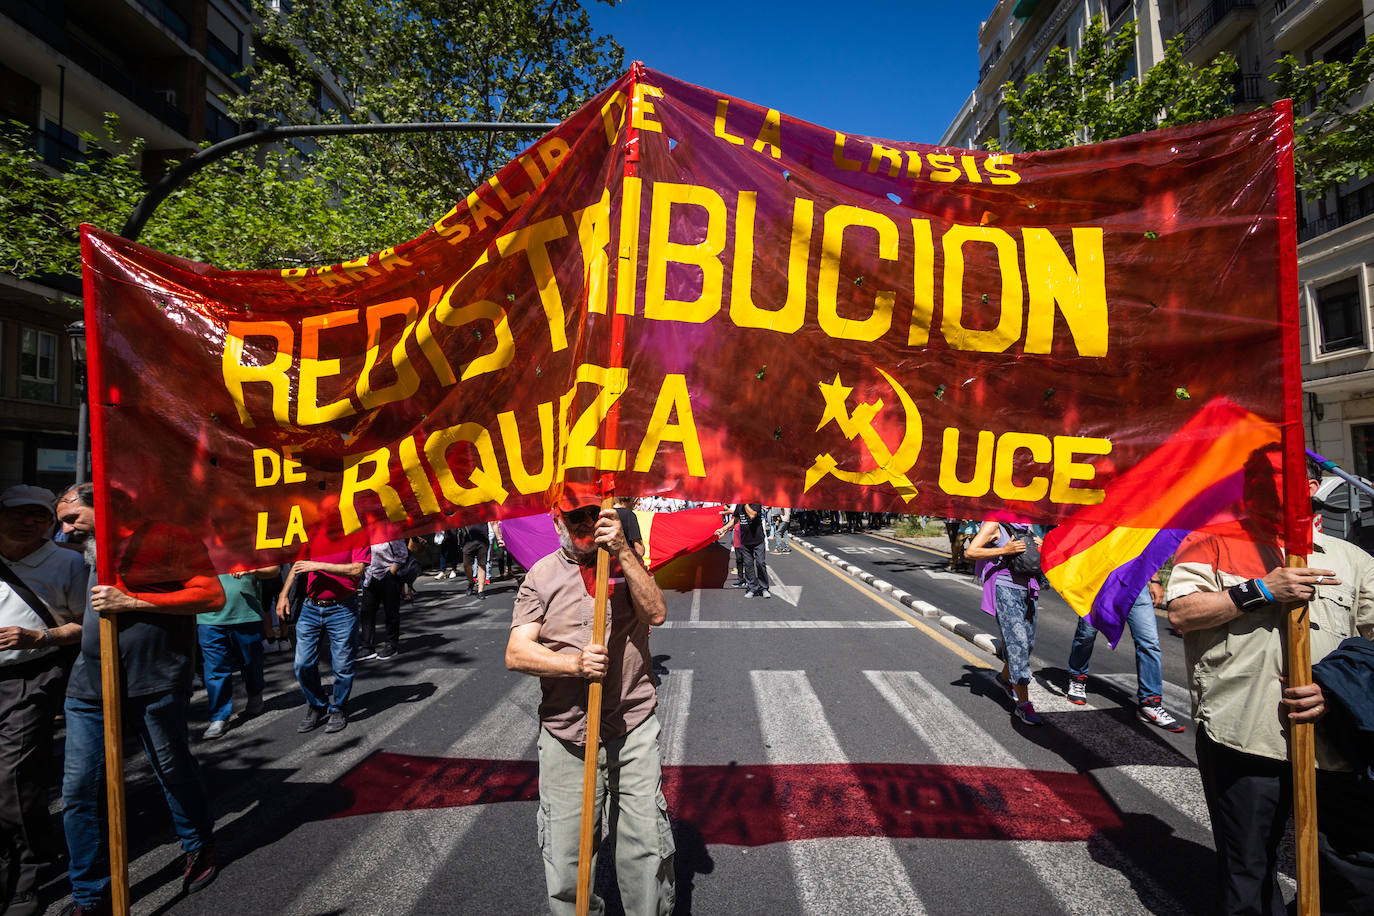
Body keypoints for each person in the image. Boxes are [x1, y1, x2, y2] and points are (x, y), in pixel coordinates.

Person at [1167, 450, 1374, 915]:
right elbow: (1182, 613)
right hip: (1243, 735)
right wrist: (1260, 590)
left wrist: (1338, 692)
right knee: (1249, 872)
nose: (1268, 485)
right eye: (1258, 477)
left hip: (1333, 742)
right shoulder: (1213, 541)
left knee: (1349, 870)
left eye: (1282, 477)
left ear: (1313, 487)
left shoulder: (1354, 560)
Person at [56, 483, 225, 914]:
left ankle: (198, 843)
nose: (66, 529)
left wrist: (133, 600)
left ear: (106, 507)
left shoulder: (169, 538)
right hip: (88, 689)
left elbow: (209, 595)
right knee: (79, 789)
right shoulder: (89, 549)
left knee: (170, 768)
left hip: (155, 683)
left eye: (73, 517)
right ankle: (90, 894)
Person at [506, 488, 673, 915]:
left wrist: (622, 551)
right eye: (574, 516)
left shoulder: (626, 563)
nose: (584, 524)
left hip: (629, 729)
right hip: (566, 736)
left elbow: (655, 613)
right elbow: (517, 652)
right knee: (566, 863)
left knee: (645, 853)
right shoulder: (541, 575)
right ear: (557, 520)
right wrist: (574, 666)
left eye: (592, 514)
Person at [0, 486, 87, 916]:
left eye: (39, 516)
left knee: (13, 780)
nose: (28, 522)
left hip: (32, 676)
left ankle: (28, 874)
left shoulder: (68, 562)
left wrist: (40, 637)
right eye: (19, 513)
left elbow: (88, 625)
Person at [1065, 581, 1185, 732]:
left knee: (1149, 642)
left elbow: (1144, 555)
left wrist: (1154, 581)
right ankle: (1077, 677)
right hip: (1100, 580)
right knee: (1086, 634)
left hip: (1135, 582)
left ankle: (1150, 703)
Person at [276, 546, 369, 735]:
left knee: (342, 665)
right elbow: (298, 566)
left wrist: (319, 566)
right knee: (302, 664)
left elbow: (357, 569)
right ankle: (317, 705)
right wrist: (283, 594)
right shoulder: (314, 532)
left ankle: (339, 708)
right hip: (310, 608)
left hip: (342, 608)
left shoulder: (357, 533)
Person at [966, 519, 1044, 725]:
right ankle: (1024, 705)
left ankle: (1004, 678)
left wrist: (1041, 547)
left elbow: (1031, 552)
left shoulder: (1028, 523)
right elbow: (971, 552)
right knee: (1018, 644)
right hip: (1005, 588)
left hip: (1029, 588)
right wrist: (1005, 549)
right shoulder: (994, 524)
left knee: (1027, 645)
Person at [197, 566, 278, 739]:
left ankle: (255, 694)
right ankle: (219, 717)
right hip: (209, 618)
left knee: (251, 662)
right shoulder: (198, 543)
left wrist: (252, 570)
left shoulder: (247, 541)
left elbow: (274, 570)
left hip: (247, 614)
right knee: (215, 668)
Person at [357, 539, 406, 662]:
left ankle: (392, 645)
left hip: (388, 577)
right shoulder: (365, 534)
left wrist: (391, 572)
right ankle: (367, 647)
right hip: (370, 577)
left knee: (391, 612)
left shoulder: (390, 531)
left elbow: (402, 554)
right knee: (366, 612)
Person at [718, 503, 770, 598]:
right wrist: (723, 528)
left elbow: (752, 515)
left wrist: (745, 504)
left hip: (758, 540)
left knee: (760, 563)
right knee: (748, 565)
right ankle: (752, 588)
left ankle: (764, 588)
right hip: (745, 541)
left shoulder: (755, 503)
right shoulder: (739, 505)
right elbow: (735, 519)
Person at [460, 522, 490, 598]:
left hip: (482, 539)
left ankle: (480, 591)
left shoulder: (483, 510)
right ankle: (471, 582)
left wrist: (498, 537)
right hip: (468, 540)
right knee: (467, 565)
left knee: (482, 564)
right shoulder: (464, 511)